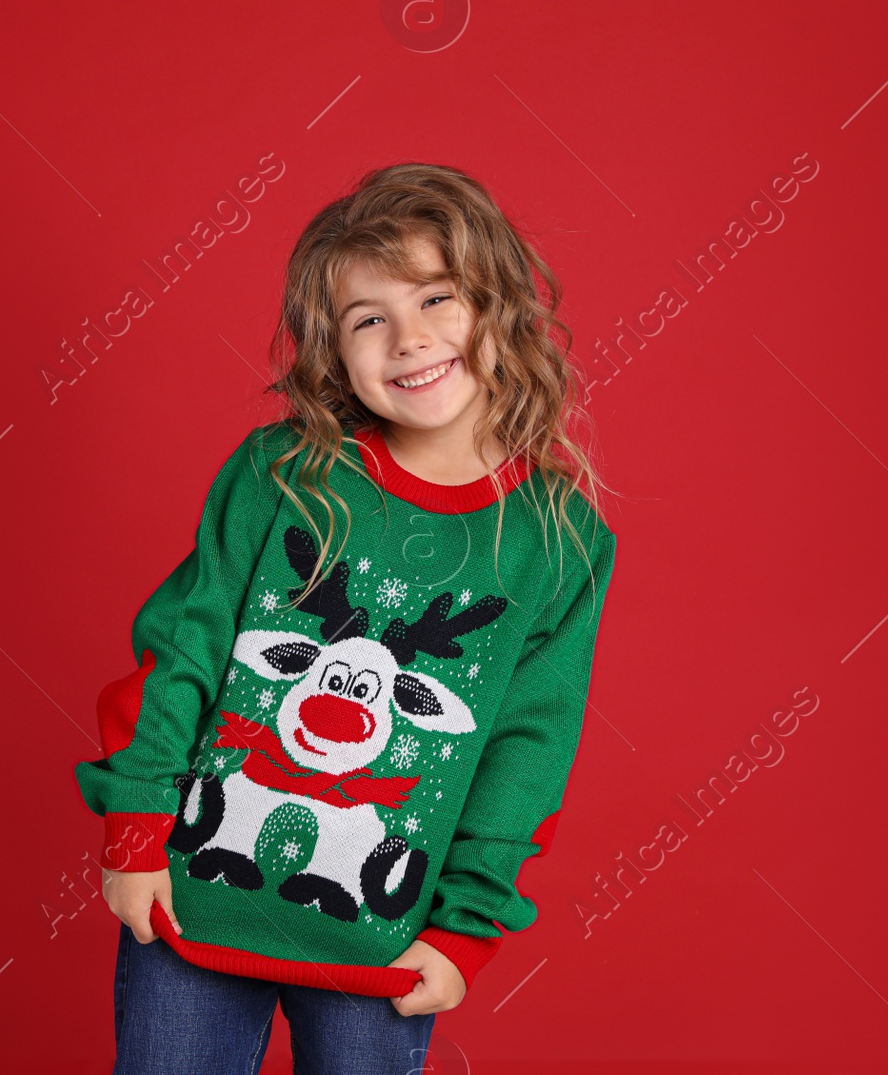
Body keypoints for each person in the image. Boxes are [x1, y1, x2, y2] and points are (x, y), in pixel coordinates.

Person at [74, 162, 620, 1074]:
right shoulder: (282, 474)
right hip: (192, 904)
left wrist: (465, 931)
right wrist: (134, 825)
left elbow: (530, 750)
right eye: (371, 318)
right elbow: (184, 644)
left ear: (499, 308)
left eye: (438, 299)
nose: (409, 340)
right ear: (333, 349)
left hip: (383, 941)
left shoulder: (559, 543)